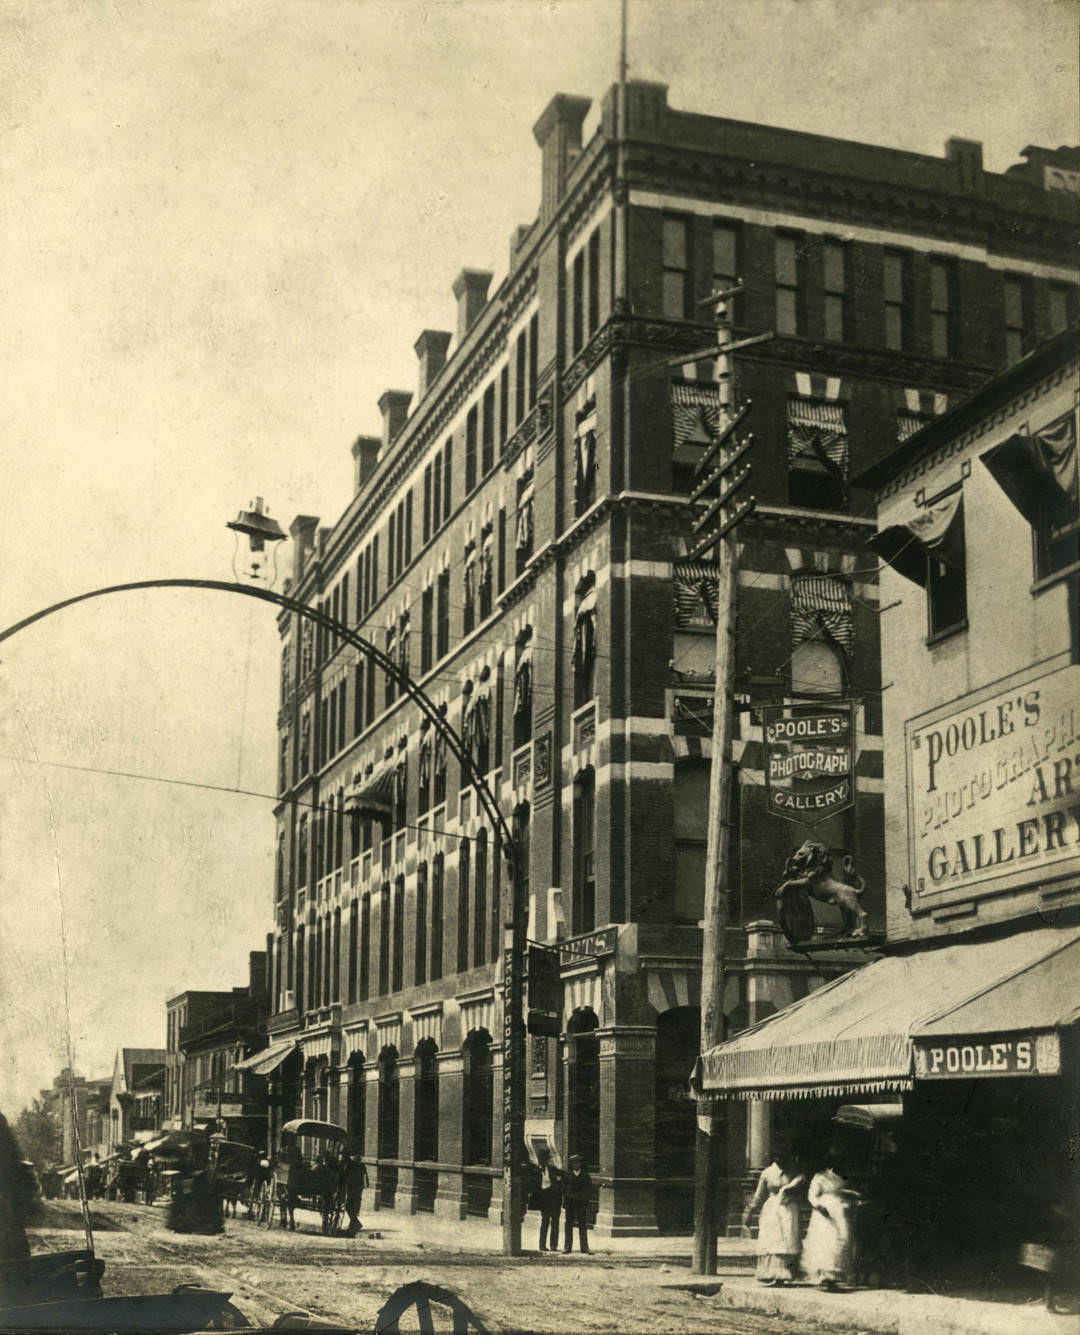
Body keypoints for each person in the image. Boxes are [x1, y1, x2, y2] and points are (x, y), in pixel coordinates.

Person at [741, 1151, 805, 1285]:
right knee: (773, 1239)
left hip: (789, 1209)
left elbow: (801, 1188)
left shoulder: (792, 1172)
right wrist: (749, 1211)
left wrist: (793, 1189)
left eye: (783, 1156)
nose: (781, 1159)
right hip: (772, 1209)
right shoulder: (767, 1173)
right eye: (777, 1157)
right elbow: (758, 1196)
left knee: (787, 1239)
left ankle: (787, 1273)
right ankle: (771, 1274)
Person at [801, 1149, 861, 1290]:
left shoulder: (841, 1177)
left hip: (838, 1209)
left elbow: (840, 1191)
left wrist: (852, 1196)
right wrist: (819, 1206)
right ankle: (825, 1276)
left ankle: (835, 1274)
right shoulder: (820, 1177)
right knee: (826, 1240)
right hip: (825, 1210)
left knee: (842, 1238)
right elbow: (812, 1195)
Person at [561, 1153, 591, 1254]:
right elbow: (564, 1189)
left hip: (581, 1204)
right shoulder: (567, 1175)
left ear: (580, 1164)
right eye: (574, 1163)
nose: (576, 1165)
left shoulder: (585, 1176)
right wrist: (565, 1201)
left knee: (582, 1225)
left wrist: (585, 1200)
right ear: (571, 1164)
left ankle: (585, 1247)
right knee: (568, 1225)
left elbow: (589, 1190)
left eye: (577, 1162)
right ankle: (567, 1247)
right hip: (570, 1204)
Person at [535, 1149, 562, 1253]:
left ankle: (553, 1245)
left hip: (554, 1200)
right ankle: (542, 1245)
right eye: (541, 1159)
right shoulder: (536, 1171)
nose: (543, 1161)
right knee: (545, 1222)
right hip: (544, 1201)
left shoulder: (553, 1169)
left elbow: (563, 1178)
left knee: (555, 1222)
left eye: (545, 1159)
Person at [344, 1149, 369, 1237]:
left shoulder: (350, 1165)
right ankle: (353, 1223)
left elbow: (345, 1176)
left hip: (353, 1187)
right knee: (354, 1205)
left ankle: (355, 1222)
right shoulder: (361, 1165)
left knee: (349, 1205)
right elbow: (365, 1177)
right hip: (358, 1187)